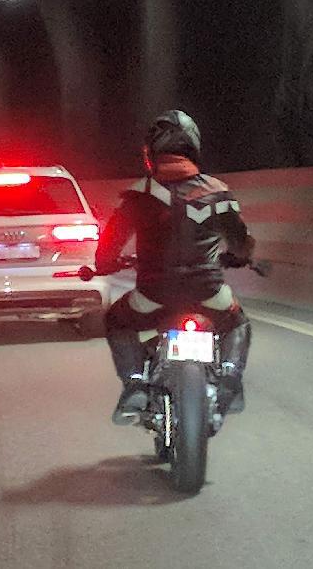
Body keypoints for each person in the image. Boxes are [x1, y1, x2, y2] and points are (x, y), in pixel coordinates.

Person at [94, 110, 254, 425]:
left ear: (151, 152)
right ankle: (231, 380)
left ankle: (135, 383)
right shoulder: (217, 192)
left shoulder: (138, 195)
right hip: (208, 292)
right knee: (238, 323)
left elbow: (108, 248)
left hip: (154, 296)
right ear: (193, 147)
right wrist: (240, 256)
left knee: (116, 319)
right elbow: (240, 241)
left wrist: (105, 264)